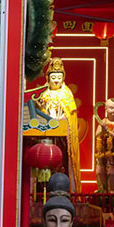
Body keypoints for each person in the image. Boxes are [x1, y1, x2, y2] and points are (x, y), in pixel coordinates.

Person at [36, 58, 82, 192]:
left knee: (61, 161)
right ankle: (42, 190)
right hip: (47, 137)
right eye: (53, 77)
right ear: (48, 78)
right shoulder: (44, 95)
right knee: (45, 164)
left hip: (62, 137)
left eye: (59, 77)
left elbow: (71, 115)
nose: (56, 80)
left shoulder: (67, 95)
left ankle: (65, 188)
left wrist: (63, 120)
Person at [94, 98, 114, 192]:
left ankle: (112, 192)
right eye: (111, 108)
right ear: (106, 109)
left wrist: (108, 132)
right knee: (99, 171)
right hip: (102, 152)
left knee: (112, 172)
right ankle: (103, 192)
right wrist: (102, 131)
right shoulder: (103, 122)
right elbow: (97, 134)